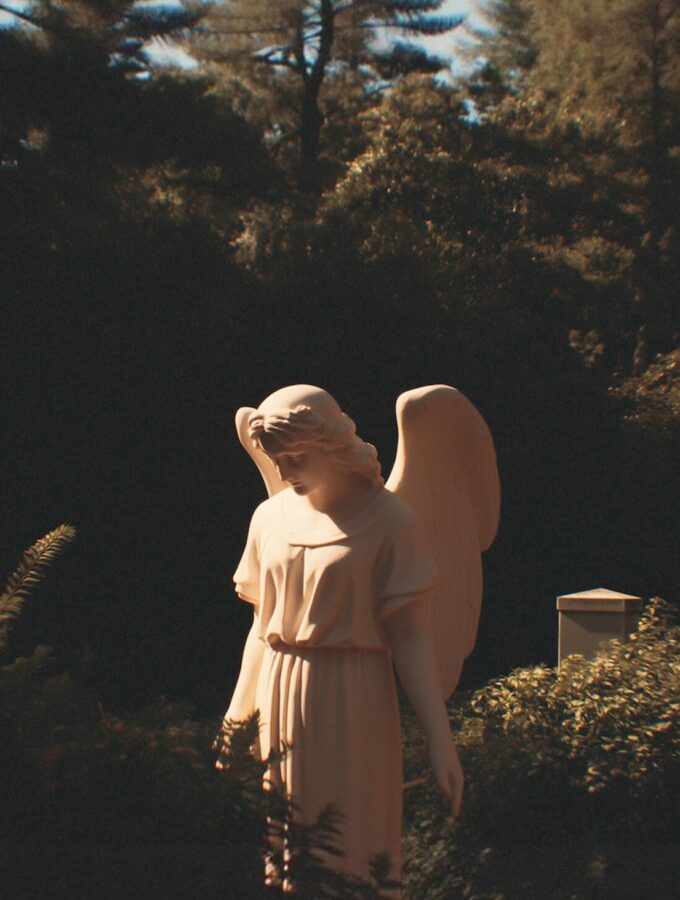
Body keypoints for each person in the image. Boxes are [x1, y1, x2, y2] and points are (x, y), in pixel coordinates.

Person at [218, 385, 465, 893]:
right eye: (276, 459)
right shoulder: (269, 518)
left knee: (355, 851)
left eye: (296, 457)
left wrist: (441, 740)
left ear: (330, 444)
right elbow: (262, 631)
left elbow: (412, 638)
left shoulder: (392, 522)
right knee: (289, 858)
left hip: (355, 701)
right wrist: (236, 717)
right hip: (282, 697)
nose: (284, 472)